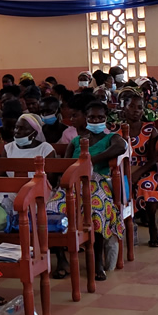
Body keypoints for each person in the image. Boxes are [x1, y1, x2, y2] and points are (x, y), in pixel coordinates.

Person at [47, 99, 127, 281]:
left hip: (97, 183)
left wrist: (91, 160)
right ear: (86, 118)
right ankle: (61, 260)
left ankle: (97, 261)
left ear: (106, 118)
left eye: (100, 118)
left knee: (96, 211)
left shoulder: (110, 138)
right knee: (52, 210)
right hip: (73, 184)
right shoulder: (76, 141)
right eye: (92, 117)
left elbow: (121, 147)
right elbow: (65, 166)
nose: (96, 121)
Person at [122, 96, 158, 247]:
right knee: (115, 186)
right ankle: (125, 228)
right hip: (122, 168)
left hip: (145, 168)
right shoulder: (117, 130)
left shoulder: (149, 130)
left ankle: (152, 227)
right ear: (124, 108)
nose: (136, 111)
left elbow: (154, 159)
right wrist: (128, 172)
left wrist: (137, 173)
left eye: (139, 107)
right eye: (132, 107)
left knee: (147, 184)